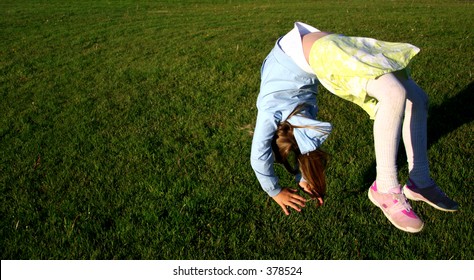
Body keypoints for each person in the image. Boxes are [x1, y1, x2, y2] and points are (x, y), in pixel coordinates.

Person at [250, 22, 459, 233]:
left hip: (329, 49)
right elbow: (301, 148)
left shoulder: (270, 109)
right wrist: (303, 178)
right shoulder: (294, 114)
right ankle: (402, 184)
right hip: (326, 48)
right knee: (405, 96)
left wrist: (275, 191)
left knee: (408, 97)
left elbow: (258, 155)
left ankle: (405, 184)